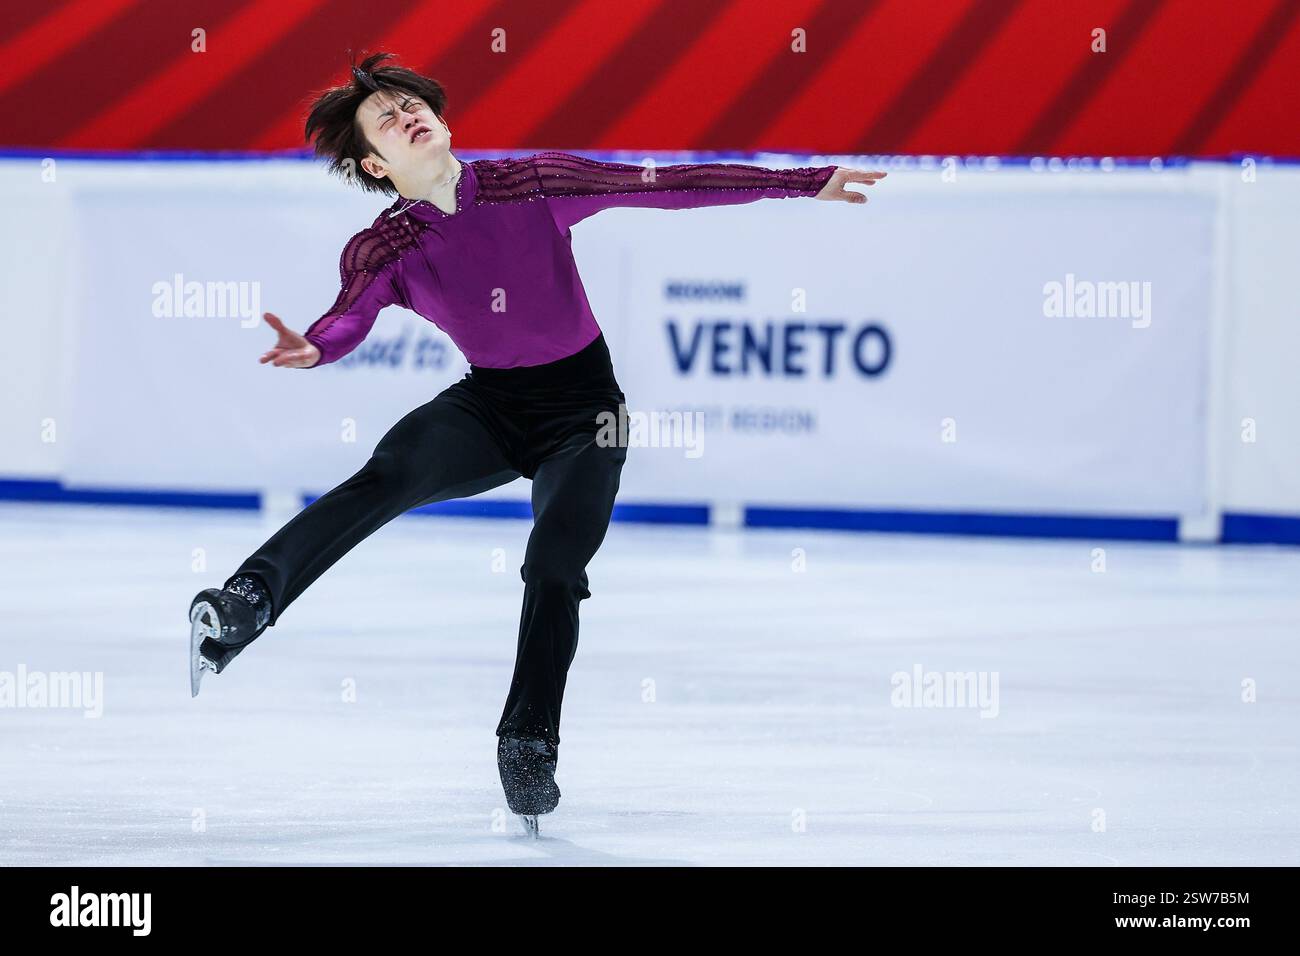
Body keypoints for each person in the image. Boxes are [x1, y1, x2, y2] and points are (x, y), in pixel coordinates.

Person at [187, 51, 885, 830]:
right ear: (373, 164)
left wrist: (798, 181)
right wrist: (315, 348)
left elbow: (662, 185)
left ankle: (527, 743)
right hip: (488, 410)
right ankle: (249, 600)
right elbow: (346, 316)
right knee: (388, 474)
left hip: (587, 413)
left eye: (413, 103)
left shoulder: (531, 183)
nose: (408, 115)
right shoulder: (384, 248)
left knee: (554, 568)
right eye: (386, 119)